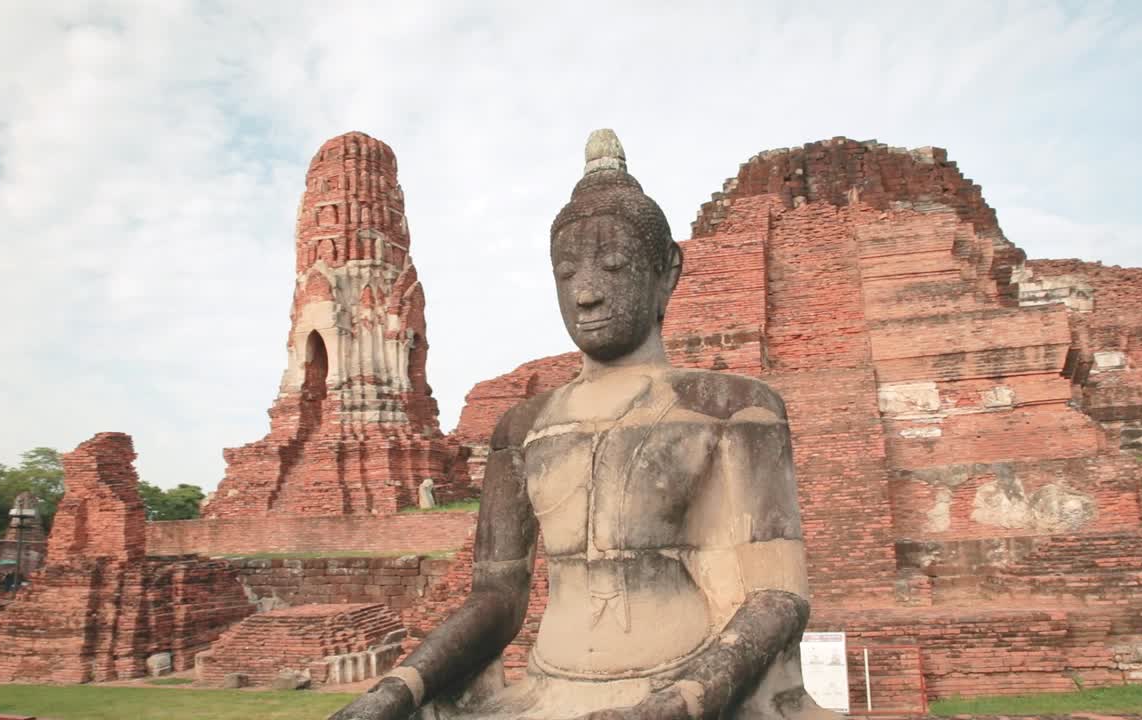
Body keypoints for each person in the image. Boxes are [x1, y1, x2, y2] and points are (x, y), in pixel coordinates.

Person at [332, 130, 833, 720]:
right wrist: (399, 688)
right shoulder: (522, 427)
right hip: (546, 694)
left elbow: (776, 596)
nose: (587, 293)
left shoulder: (734, 408)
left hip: (687, 685)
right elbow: (496, 599)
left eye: (614, 265)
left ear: (666, 271)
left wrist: (679, 702)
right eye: (566, 273)